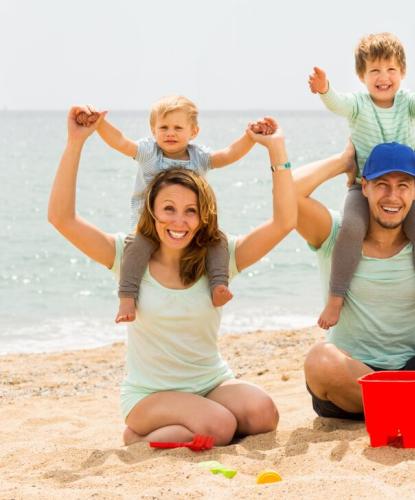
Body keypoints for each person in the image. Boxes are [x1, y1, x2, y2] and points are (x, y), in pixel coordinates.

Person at [48, 106, 296, 445]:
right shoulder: (126, 255)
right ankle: (142, 433)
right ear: (152, 209)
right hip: (150, 396)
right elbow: (62, 219)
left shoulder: (219, 259)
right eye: (169, 209)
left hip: (211, 385)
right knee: (220, 426)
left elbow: (284, 223)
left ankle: (180, 428)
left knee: (263, 413)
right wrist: (75, 143)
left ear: (203, 216)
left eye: (190, 211)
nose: (179, 221)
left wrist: (276, 148)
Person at [77, 96, 274, 324]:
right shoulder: (149, 153)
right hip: (150, 224)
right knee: (135, 248)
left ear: (194, 131)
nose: (170, 133)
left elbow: (228, 154)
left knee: (217, 240)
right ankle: (127, 297)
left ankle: (219, 284)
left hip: (189, 225)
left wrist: (250, 138)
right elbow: (120, 142)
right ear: (153, 130)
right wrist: (99, 124)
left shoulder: (199, 157)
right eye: (164, 127)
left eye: (178, 128)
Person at [295, 141, 415, 420]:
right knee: (320, 361)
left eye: (403, 185)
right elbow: (287, 193)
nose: (392, 196)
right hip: (353, 378)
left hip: (410, 372)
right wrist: (343, 161)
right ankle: (402, 409)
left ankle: (394, 410)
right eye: (382, 184)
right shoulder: (335, 234)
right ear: (365, 187)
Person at [308, 32, 415, 330]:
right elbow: (337, 104)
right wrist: (324, 89)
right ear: (362, 75)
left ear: (402, 73)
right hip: (362, 185)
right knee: (352, 227)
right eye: (375, 71)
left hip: (404, 187)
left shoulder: (407, 102)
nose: (384, 77)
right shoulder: (358, 103)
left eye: (391, 69)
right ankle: (336, 297)